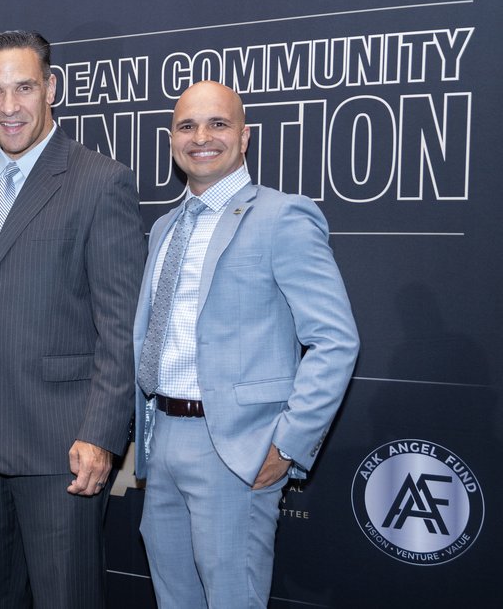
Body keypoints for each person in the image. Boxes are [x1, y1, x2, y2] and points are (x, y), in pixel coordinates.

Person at [0, 30, 146, 608]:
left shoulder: (100, 181)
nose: (8, 106)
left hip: (62, 446)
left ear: (51, 87)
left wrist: (101, 434)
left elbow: (121, 325)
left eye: (23, 87)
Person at [133, 80, 360, 608]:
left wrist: (286, 446)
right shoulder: (164, 226)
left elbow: (334, 340)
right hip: (161, 439)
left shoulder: (284, 216)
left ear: (245, 136)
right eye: (187, 125)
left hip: (235, 448)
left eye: (218, 123)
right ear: (171, 139)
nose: (201, 137)